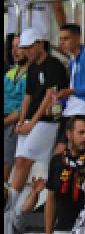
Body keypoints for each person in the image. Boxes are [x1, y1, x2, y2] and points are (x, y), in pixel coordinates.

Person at [11, 28, 68, 193]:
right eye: (24, 48)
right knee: (20, 163)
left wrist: (32, 123)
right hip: (31, 119)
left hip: (46, 120)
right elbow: (27, 96)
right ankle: (12, 207)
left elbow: (50, 95)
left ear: (40, 44)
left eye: (29, 47)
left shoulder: (53, 64)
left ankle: (10, 207)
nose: (26, 52)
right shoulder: (32, 67)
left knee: (24, 161)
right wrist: (21, 121)